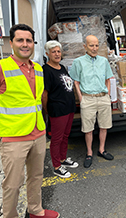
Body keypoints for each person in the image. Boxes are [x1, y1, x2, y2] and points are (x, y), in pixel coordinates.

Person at [0, 24, 59, 218]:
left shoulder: (38, 69)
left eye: (29, 40)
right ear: (11, 43)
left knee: (36, 176)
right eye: (20, 40)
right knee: (13, 183)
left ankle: (35, 210)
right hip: (13, 137)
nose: (25, 44)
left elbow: (35, 101)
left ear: (33, 44)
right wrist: (6, 121)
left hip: (37, 132)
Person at [70, 35, 114, 168]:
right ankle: (89, 152)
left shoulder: (104, 61)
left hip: (103, 97)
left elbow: (108, 79)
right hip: (87, 98)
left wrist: (107, 95)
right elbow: (76, 82)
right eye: (91, 45)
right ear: (85, 46)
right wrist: (81, 98)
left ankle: (101, 150)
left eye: (96, 45)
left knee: (104, 126)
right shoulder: (78, 62)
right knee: (88, 129)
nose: (94, 48)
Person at [42, 40, 78, 178]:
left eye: (58, 51)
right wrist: (46, 111)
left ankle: (63, 159)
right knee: (56, 139)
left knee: (65, 136)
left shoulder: (62, 67)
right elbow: (44, 94)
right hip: (57, 110)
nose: (57, 54)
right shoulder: (46, 70)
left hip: (68, 108)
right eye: (53, 52)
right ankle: (57, 166)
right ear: (47, 54)